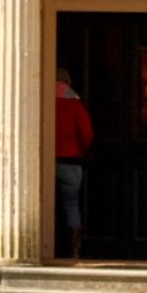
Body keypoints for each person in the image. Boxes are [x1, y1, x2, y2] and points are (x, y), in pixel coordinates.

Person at [54, 66, 94, 260]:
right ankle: (73, 249)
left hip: (46, 162)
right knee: (71, 204)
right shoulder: (75, 104)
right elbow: (87, 134)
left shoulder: (44, 99)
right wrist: (80, 150)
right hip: (71, 161)